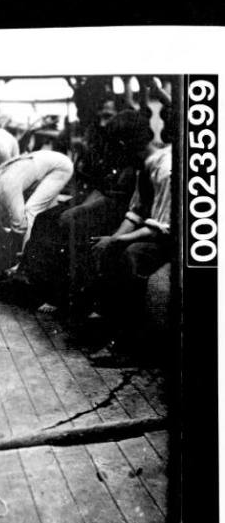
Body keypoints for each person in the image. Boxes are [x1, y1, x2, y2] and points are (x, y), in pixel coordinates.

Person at [89, 138, 172, 364]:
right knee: (111, 245)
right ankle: (106, 322)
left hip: (183, 239)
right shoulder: (146, 166)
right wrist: (113, 240)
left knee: (133, 255)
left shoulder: (167, 170)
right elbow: (136, 212)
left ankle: (128, 346)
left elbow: (162, 228)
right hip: (160, 232)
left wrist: (120, 241)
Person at [0, 149, 74, 271]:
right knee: (41, 212)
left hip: (60, 168)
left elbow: (20, 226)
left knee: (32, 209)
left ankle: (23, 263)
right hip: (46, 162)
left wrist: (11, 241)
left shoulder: (5, 189)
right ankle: (44, 250)